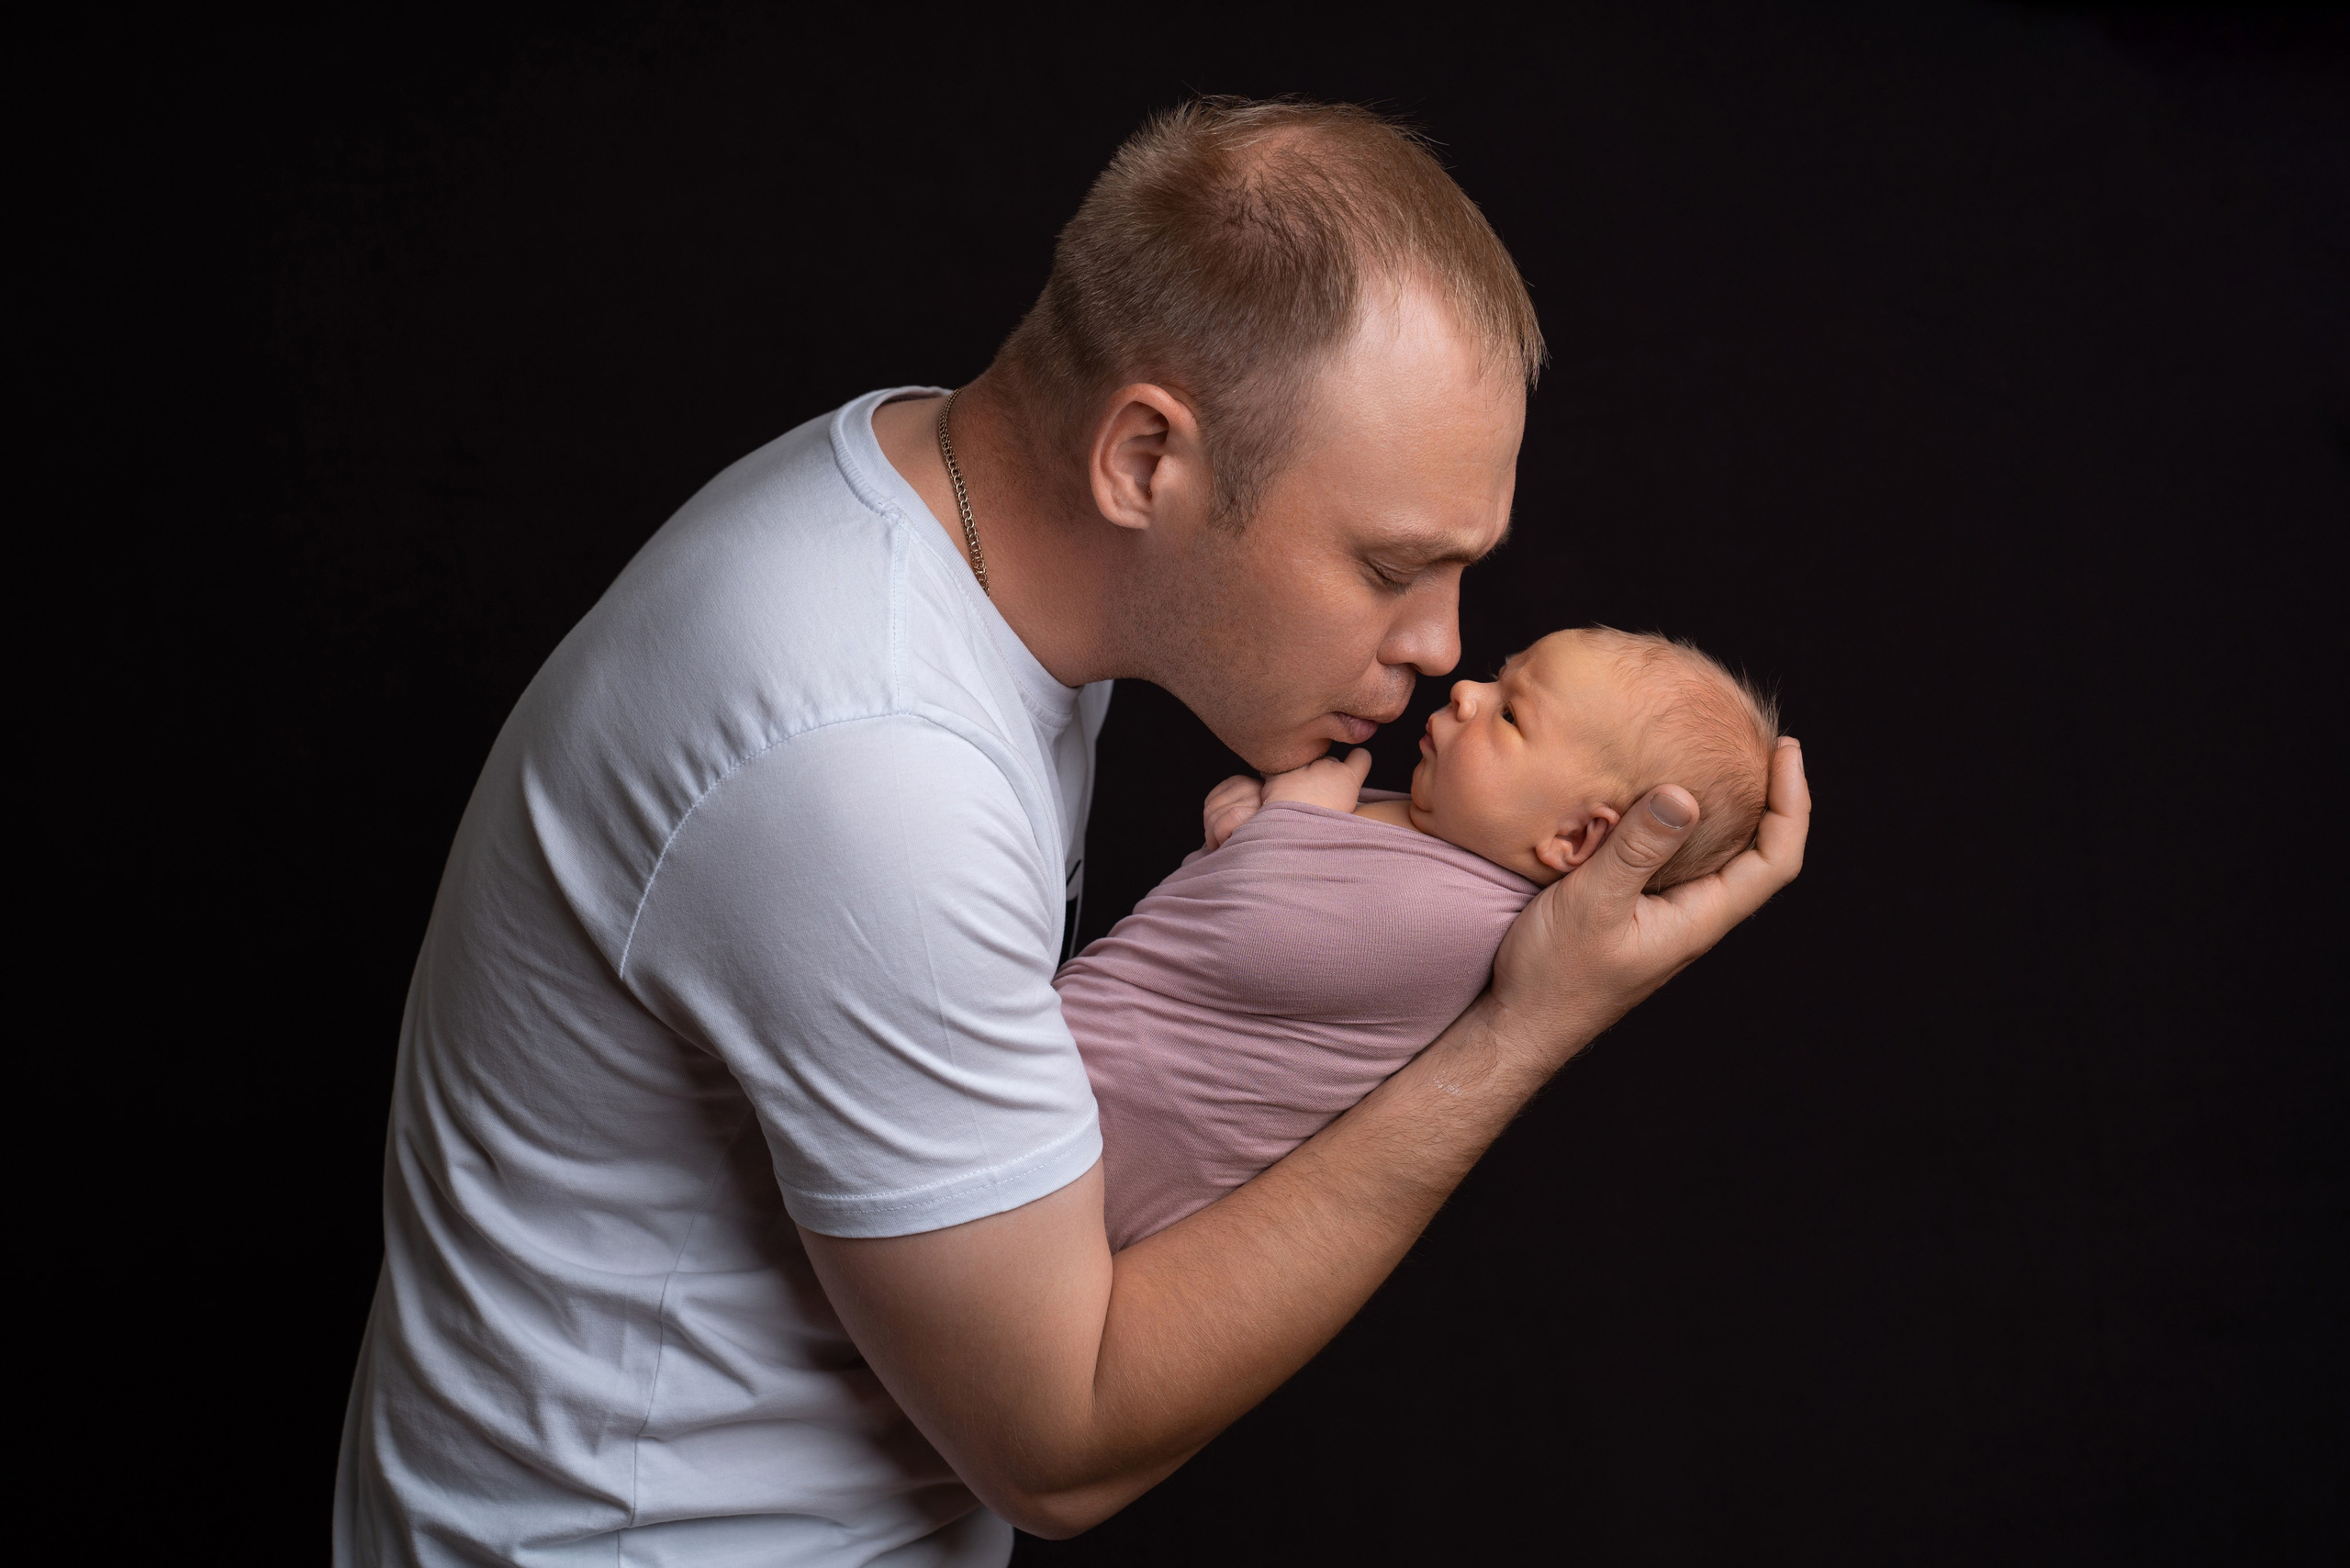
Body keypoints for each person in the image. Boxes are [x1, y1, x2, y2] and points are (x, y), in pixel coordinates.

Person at [335, 97, 1810, 1567]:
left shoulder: (935, 518)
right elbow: (1063, 1442)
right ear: (1144, 463)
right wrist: (1522, 1032)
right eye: (1389, 568)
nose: (1441, 646)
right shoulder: (869, 766)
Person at [1065, 627, 1783, 1249]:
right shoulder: (1432, 832)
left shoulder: (1463, 923)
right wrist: (1259, 813)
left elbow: (1256, 931)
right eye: (1498, 675)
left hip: (1097, 1168)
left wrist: (1284, 818)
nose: (1467, 690)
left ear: (1574, 837)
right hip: (1075, 1096)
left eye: (1511, 714)